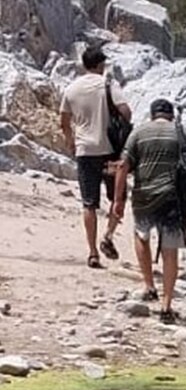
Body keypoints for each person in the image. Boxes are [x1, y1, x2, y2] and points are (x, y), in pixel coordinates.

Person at [113, 99, 186, 324]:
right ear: (171, 115)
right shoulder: (180, 134)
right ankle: (166, 306)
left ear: (152, 114)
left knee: (141, 236)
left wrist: (118, 200)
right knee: (170, 250)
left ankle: (149, 286)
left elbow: (123, 166)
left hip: (143, 198)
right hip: (173, 200)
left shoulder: (139, 132)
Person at [59, 45, 132, 268]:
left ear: (84, 65)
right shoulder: (108, 84)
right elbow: (126, 111)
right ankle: (108, 236)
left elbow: (63, 120)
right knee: (118, 197)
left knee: (89, 202)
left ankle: (92, 253)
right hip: (110, 151)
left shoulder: (71, 89)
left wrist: (71, 141)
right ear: (100, 65)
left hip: (85, 151)